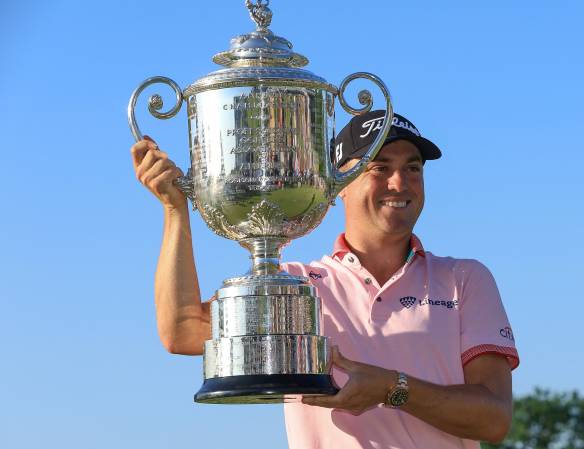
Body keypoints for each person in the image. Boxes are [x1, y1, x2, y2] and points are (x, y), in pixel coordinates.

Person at [131, 110, 520, 449]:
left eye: (412, 168)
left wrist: (391, 388)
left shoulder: (464, 279)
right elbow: (180, 330)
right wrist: (174, 210)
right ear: (337, 185)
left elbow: (494, 419)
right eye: (379, 167)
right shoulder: (296, 285)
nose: (399, 183)